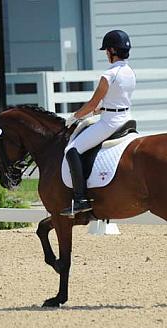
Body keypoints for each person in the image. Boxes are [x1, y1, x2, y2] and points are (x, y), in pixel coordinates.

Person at [60, 29, 136, 216]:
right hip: (126, 118)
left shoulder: (108, 74)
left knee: (72, 149)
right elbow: (119, 99)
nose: (105, 54)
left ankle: (80, 199)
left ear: (111, 50)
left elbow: (93, 102)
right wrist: (100, 109)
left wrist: (75, 116)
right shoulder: (129, 72)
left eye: (106, 51)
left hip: (110, 123)